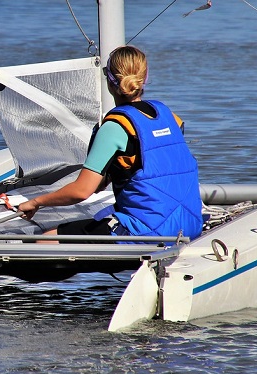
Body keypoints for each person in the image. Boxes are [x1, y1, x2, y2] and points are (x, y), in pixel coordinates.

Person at [17, 45, 203, 240]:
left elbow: (82, 191)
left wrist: (36, 202)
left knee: (45, 239)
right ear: (144, 79)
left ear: (110, 81)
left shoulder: (114, 128)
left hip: (146, 231)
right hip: (190, 224)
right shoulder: (170, 117)